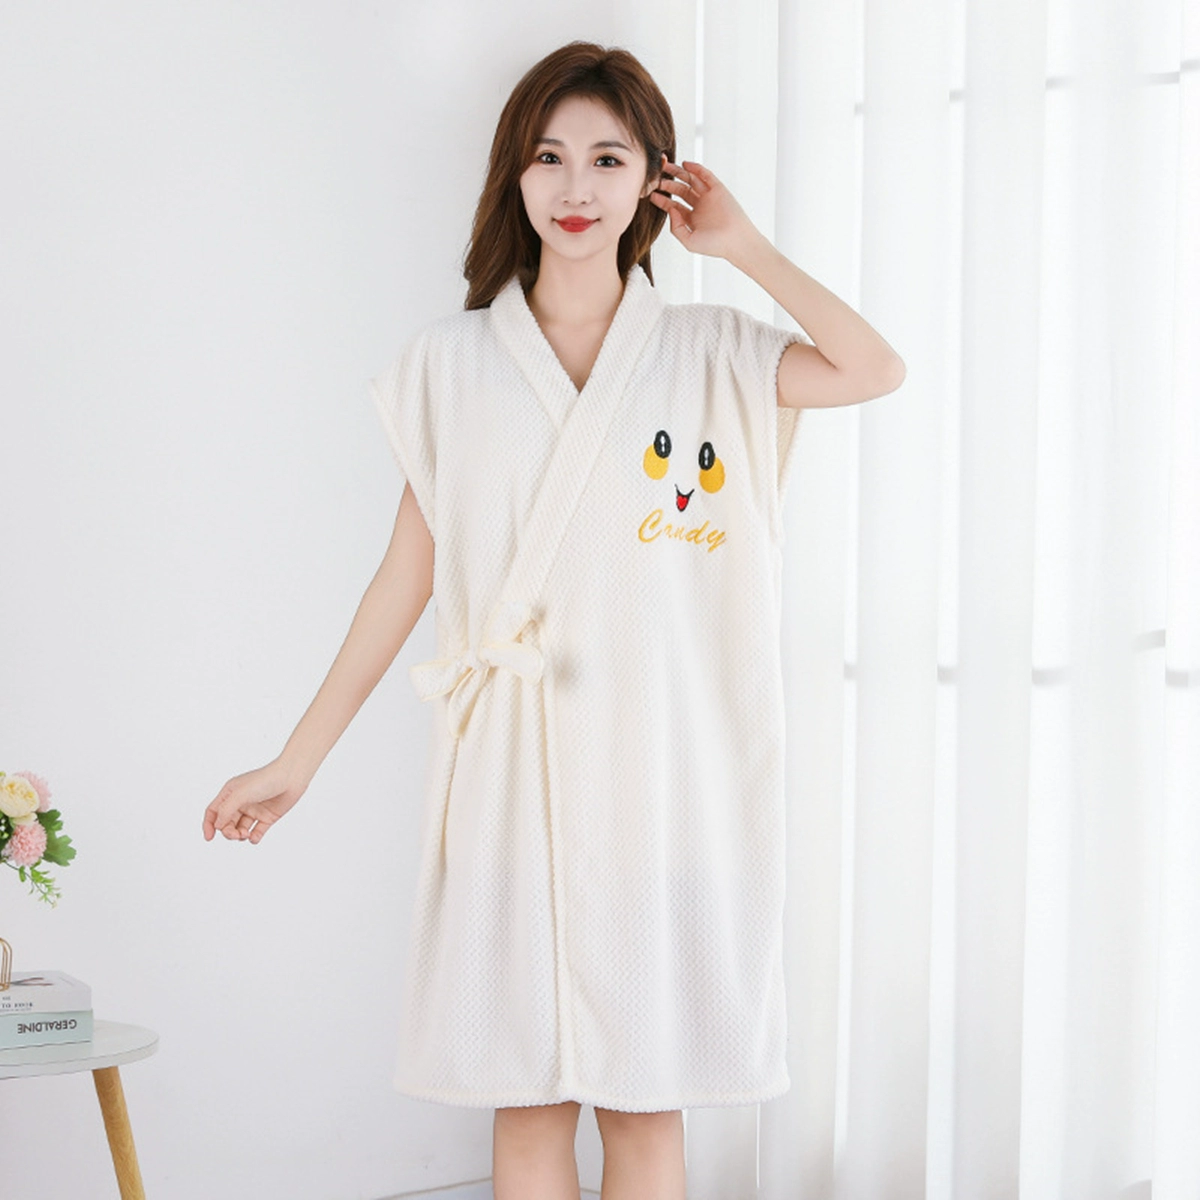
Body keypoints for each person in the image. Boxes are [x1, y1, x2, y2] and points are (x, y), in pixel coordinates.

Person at [203, 39, 903, 1200]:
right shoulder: (449, 365)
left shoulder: (714, 353)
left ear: (655, 180)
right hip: (509, 782)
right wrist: (296, 760)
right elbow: (403, 580)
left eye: (608, 159)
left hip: (668, 784)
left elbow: (874, 368)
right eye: (549, 156)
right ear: (514, 175)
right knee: (524, 1098)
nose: (576, 187)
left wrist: (739, 247)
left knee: (645, 1102)